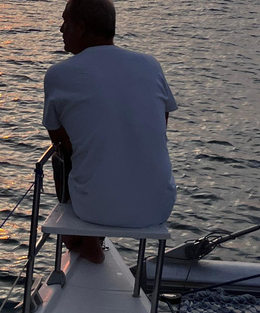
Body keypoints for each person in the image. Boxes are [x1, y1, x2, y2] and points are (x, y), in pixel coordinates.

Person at [43, 0, 178, 263]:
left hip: (94, 209)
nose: (61, 29)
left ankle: (85, 242)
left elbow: (62, 143)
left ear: (80, 27)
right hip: (158, 206)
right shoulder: (150, 65)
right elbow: (161, 125)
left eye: (65, 21)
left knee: (64, 155)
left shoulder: (59, 74)